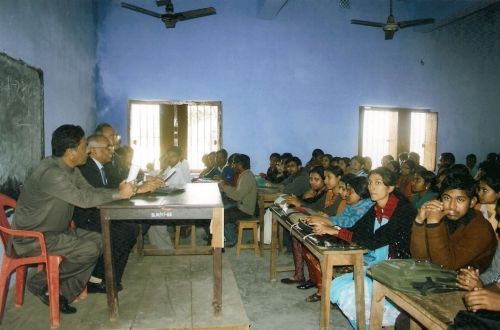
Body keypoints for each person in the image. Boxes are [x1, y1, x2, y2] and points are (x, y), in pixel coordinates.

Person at [11, 125, 135, 314]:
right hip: (33, 238)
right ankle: (39, 282)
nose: (87, 150)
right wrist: (118, 195)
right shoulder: (51, 173)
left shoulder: (70, 169)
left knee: (101, 240)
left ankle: (60, 293)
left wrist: (118, 193)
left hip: (56, 232)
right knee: (89, 249)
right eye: (85, 145)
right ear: (71, 151)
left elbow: (90, 191)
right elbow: (84, 200)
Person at [326, 167, 417, 328]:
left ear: (390, 187)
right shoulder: (375, 208)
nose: (372, 187)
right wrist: (332, 228)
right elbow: (356, 230)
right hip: (376, 263)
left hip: (397, 268)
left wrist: (335, 231)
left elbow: (375, 240)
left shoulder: (404, 211)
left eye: (378, 183)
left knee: (352, 293)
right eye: (370, 183)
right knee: (338, 287)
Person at [73, 135, 162, 293]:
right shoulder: (85, 169)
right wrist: (137, 190)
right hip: (88, 215)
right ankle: (96, 278)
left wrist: (140, 187)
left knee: (136, 224)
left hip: (104, 210)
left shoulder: (105, 167)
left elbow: (118, 186)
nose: (111, 151)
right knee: (123, 230)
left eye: (111, 147)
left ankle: (112, 276)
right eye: (107, 147)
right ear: (93, 151)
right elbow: (99, 193)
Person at [304, 176, 373, 302]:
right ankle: (321, 285)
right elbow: (341, 219)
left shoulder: (366, 206)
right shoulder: (353, 203)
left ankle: (324, 290)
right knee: (310, 243)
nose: (345, 194)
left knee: (318, 249)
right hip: (346, 236)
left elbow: (350, 223)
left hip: (358, 245)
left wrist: (326, 221)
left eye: (349, 191)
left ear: (362, 194)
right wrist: (325, 221)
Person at [411, 172, 497, 272]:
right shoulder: (442, 217)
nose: (452, 206)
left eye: (460, 200)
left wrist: (434, 224)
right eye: (447, 198)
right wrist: (419, 221)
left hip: (474, 284)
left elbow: (446, 266)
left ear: (472, 202)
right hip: (440, 278)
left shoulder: (480, 228)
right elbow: (419, 259)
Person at [148, 146, 191, 250]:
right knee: (150, 214)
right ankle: (158, 245)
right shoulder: (171, 168)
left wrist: (157, 183)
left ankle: (165, 248)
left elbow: (166, 185)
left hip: (179, 205)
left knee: (154, 217)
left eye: (173, 156)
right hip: (171, 201)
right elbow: (161, 177)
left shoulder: (178, 170)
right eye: (168, 156)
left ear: (179, 157)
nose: (170, 159)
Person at [219, 154, 257, 247]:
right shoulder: (244, 175)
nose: (232, 166)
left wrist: (224, 187)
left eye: (234, 163)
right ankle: (229, 235)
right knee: (223, 209)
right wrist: (225, 187)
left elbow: (237, 196)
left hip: (246, 210)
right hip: (241, 206)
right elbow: (237, 191)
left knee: (222, 215)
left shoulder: (247, 177)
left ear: (239, 164)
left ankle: (231, 240)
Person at [476, 168, 500, 235]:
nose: (479, 193)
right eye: (479, 189)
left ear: (498, 193)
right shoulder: (476, 208)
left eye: (484, 190)